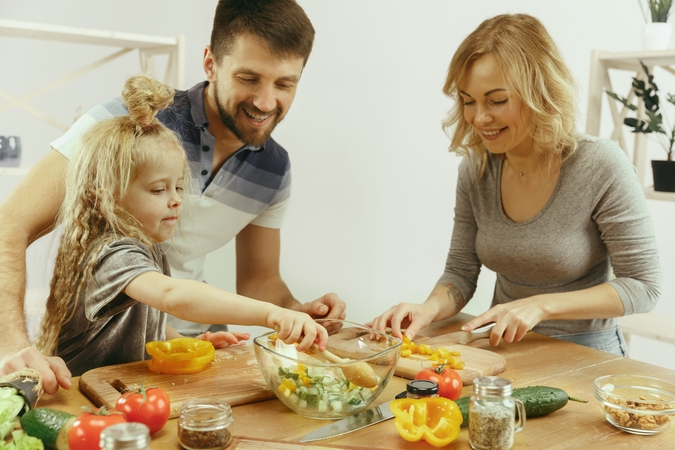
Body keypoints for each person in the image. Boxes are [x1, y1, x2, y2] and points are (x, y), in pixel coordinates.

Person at [0, 0, 345, 391]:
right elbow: (8, 225)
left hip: (170, 354)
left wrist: (297, 312)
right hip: (107, 377)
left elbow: (259, 281)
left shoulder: (274, 170)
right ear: (210, 63)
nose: (266, 102)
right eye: (249, 78)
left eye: (285, 83)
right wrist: (10, 345)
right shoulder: (129, 128)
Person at [369, 13, 661, 356]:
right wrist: (428, 309)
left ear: (540, 92)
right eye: (468, 101)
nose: (479, 118)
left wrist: (540, 306)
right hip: (504, 350)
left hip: (587, 353)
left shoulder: (600, 165)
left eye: (496, 100)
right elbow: (460, 272)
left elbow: (643, 287)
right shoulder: (476, 170)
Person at [36, 74, 327, 377]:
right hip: (82, 392)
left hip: (119, 389)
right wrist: (272, 314)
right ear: (108, 194)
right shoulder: (113, 253)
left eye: (178, 187)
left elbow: (143, 322)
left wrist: (187, 343)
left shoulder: (146, 248)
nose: (176, 201)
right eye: (159, 190)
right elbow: (172, 296)